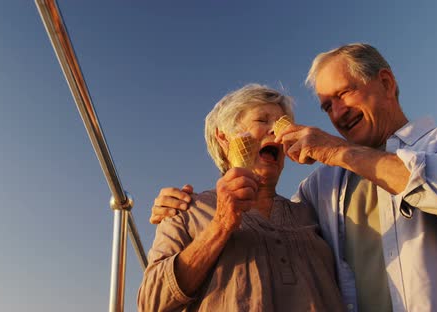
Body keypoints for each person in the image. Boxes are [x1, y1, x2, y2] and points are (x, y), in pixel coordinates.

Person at [150, 43, 437, 311]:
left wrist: (336, 150)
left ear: (386, 82)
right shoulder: (321, 188)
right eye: (326, 106)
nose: (337, 113)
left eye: (344, 93)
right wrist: (183, 207)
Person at [138, 84, 344, 311]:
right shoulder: (186, 209)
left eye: (283, 124)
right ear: (223, 137)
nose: (277, 132)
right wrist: (221, 225)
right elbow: (151, 302)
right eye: (262, 121)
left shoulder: (309, 211)